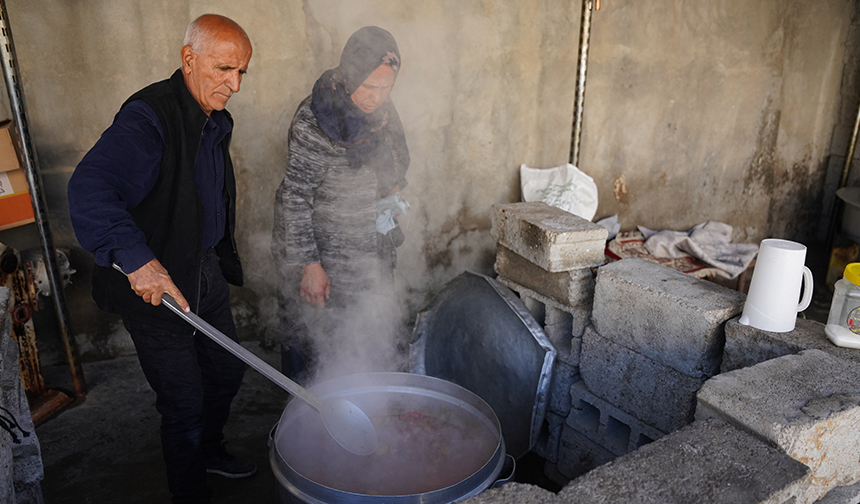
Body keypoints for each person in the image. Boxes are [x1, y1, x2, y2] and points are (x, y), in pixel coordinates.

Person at [68, 14, 254, 504]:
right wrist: (139, 262)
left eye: (241, 72)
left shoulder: (213, 118)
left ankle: (209, 452)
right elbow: (90, 188)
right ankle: (189, 491)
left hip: (204, 271)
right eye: (224, 69)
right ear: (188, 59)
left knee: (225, 372)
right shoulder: (149, 118)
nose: (235, 84)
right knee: (184, 401)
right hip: (157, 285)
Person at [272, 26, 410, 379]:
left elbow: (393, 160)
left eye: (386, 88)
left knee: (365, 335)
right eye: (368, 86)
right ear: (350, 74)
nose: (376, 98)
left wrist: (392, 191)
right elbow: (295, 196)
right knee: (315, 341)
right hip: (321, 253)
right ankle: (309, 408)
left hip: (367, 248)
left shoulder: (383, 114)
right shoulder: (316, 119)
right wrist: (310, 267)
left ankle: (363, 403)